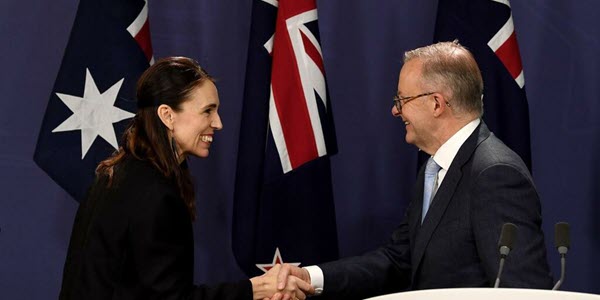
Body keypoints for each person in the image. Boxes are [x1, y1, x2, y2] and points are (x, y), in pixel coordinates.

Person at [274, 41, 553, 299]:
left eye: (402, 100)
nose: (396, 111)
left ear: (436, 103)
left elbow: (524, 290)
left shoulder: (495, 173)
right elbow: (399, 259)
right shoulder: (436, 168)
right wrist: (310, 277)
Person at [59, 57, 310, 300]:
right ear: (167, 115)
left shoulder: (117, 173)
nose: (218, 123)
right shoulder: (156, 194)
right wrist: (255, 289)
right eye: (207, 111)